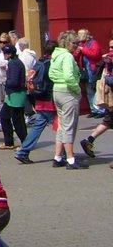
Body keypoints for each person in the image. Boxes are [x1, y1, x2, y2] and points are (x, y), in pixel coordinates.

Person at [15, 40, 56, 164]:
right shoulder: (51, 64)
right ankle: (63, 153)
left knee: (38, 126)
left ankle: (23, 151)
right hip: (50, 98)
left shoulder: (39, 62)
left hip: (39, 98)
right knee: (62, 127)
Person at [50, 28, 86, 169]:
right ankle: (70, 158)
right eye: (74, 43)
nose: (76, 45)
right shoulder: (67, 57)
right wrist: (77, 89)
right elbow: (69, 77)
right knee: (69, 125)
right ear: (66, 43)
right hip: (67, 91)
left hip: (57, 90)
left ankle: (58, 156)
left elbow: (51, 73)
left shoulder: (56, 54)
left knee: (62, 125)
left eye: (77, 43)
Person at [0, 44, 27, 150]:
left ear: (10, 54)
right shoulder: (13, 62)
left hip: (16, 94)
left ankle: (25, 143)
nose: (4, 55)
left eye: (5, 53)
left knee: (17, 120)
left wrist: (5, 82)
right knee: (4, 116)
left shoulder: (14, 63)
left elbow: (14, 81)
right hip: (12, 94)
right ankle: (9, 142)